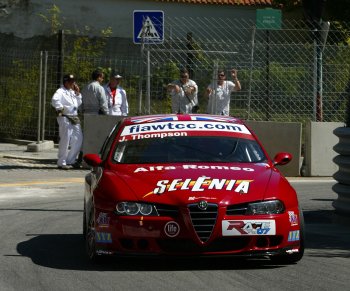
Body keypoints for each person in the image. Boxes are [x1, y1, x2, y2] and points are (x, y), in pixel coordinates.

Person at [51, 74, 83, 169]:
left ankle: (71, 159)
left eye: (73, 81)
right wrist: (61, 108)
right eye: (70, 81)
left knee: (78, 138)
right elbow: (54, 100)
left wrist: (78, 94)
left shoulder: (72, 92)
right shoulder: (60, 91)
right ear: (65, 82)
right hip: (65, 117)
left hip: (74, 116)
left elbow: (78, 103)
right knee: (65, 139)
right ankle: (62, 162)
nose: (73, 83)